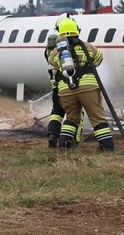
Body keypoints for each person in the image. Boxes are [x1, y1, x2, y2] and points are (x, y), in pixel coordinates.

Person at [48, 17, 114, 152]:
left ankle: (64, 145)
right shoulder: (88, 47)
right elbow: (98, 59)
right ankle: (107, 147)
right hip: (88, 88)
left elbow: (53, 63)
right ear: (77, 30)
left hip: (66, 89)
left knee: (72, 118)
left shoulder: (57, 52)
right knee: (97, 117)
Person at [42, 32, 65, 147]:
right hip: (65, 87)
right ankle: (71, 138)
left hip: (55, 89)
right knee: (74, 113)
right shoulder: (60, 54)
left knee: (56, 112)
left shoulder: (47, 54)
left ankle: (52, 135)